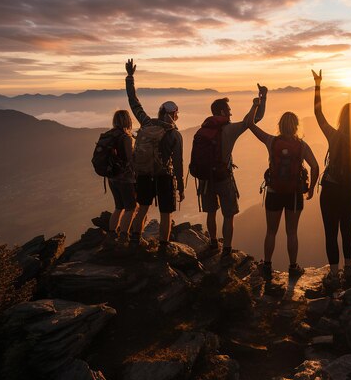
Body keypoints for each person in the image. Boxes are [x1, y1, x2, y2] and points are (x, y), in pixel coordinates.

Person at [312, 69, 351, 290]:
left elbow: (318, 115)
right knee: (347, 229)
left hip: (331, 188)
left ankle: (334, 274)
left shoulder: (334, 135)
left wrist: (318, 86)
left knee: (331, 231)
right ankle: (348, 270)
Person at [192, 85, 267, 263]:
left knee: (211, 211)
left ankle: (212, 243)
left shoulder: (202, 130)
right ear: (222, 111)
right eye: (229, 111)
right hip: (223, 178)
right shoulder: (229, 130)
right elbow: (252, 120)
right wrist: (259, 101)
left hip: (205, 179)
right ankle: (226, 249)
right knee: (228, 214)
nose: (230, 114)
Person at [247, 106, 319, 279]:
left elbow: (249, 124)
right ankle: (293, 267)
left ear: (280, 125)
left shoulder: (271, 141)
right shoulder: (302, 145)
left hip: (274, 192)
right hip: (294, 194)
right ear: (296, 126)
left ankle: (267, 266)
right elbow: (315, 166)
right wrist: (310, 190)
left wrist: (256, 104)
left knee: (271, 231)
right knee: (292, 232)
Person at [124, 58, 184, 250]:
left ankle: (134, 239)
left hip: (143, 174)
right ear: (174, 114)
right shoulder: (174, 134)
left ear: (159, 112)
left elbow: (134, 103)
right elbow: (178, 162)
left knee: (142, 207)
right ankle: (164, 247)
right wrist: (181, 187)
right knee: (166, 213)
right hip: (164, 176)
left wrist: (130, 77)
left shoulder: (147, 123)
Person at [104, 109, 137, 245]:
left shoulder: (108, 135)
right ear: (127, 121)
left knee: (118, 207)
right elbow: (130, 159)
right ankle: (124, 237)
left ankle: (111, 236)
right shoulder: (126, 138)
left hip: (111, 178)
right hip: (125, 179)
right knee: (130, 208)